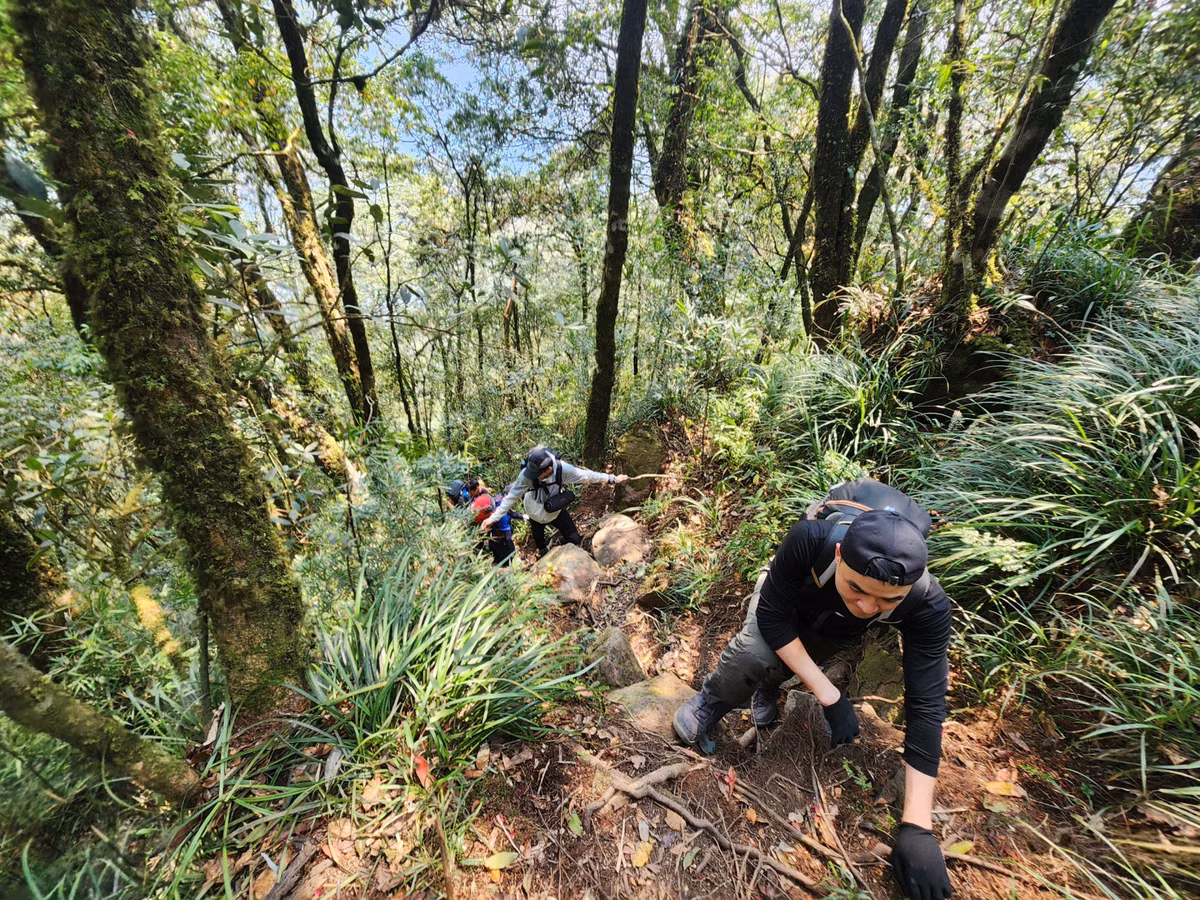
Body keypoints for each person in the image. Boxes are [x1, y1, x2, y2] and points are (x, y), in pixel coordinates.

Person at [673, 483, 953, 900]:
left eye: (887, 600)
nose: (868, 607)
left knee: (797, 661)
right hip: (787, 598)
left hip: (835, 628)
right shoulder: (813, 540)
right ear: (840, 556)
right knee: (757, 651)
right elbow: (772, 618)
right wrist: (831, 696)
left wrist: (916, 825)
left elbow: (927, 703)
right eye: (859, 588)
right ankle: (711, 702)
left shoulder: (927, 605)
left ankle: (767, 691)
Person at [480, 445, 630, 555]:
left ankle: (569, 551)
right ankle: (543, 551)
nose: (533, 477)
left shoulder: (563, 470)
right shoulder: (527, 474)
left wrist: (613, 479)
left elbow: (587, 475)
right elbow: (511, 497)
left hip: (555, 510)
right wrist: (493, 518)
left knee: (574, 538)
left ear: (548, 469)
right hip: (534, 512)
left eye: (537, 474)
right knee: (539, 538)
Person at [467, 478, 516, 566]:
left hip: (498, 521)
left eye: (471, 492)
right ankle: (498, 560)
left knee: (505, 539)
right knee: (493, 542)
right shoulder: (479, 500)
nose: (469, 494)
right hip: (491, 520)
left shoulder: (501, 513)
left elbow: (508, 535)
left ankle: (511, 561)